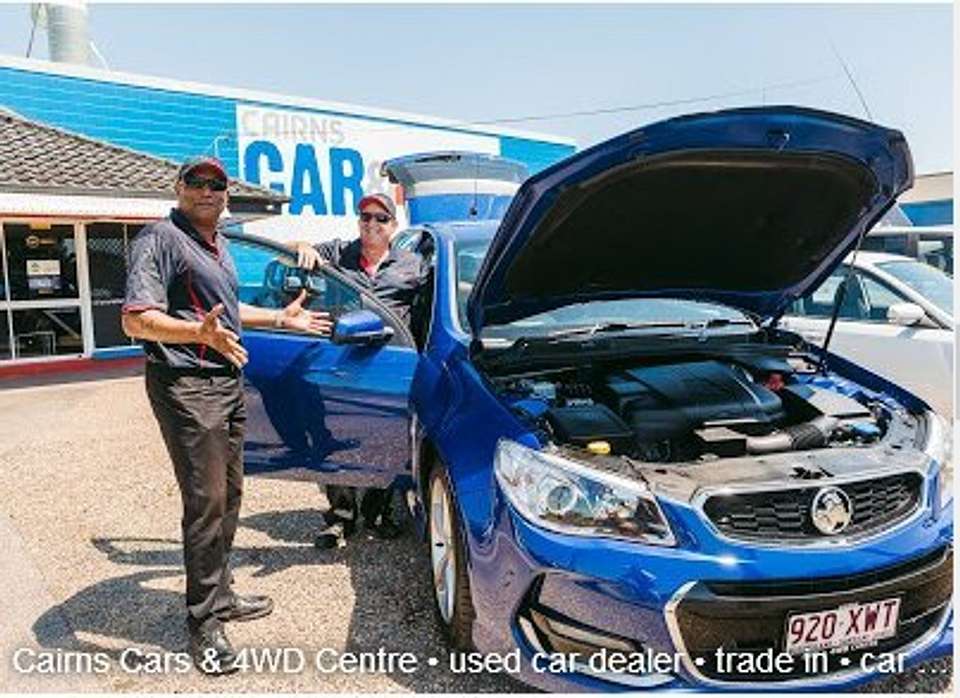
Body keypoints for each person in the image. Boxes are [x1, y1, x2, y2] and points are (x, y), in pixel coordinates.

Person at [121, 156, 331, 675]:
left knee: (231, 494)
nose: (208, 190)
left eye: (217, 184)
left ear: (226, 196)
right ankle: (202, 626)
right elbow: (135, 319)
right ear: (179, 188)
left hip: (225, 382)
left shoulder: (218, 245)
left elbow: (228, 313)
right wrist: (197, 335)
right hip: (187, 385)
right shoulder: (160, 239)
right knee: (206, 502)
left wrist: (281, 316)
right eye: (197, 182)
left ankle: (222, 596)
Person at [289, 192, 430, 549]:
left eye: (381, 218)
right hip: (341, 361)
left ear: (394, 226)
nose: (372, 224)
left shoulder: (413, 265)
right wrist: (303, 246)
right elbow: (290, 247)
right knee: (335, 435)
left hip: (390, 363)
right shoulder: (339, 253)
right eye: (365, 217)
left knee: (386, 437)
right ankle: (341, 515)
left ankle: (379, 510)